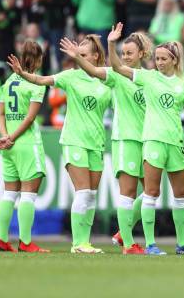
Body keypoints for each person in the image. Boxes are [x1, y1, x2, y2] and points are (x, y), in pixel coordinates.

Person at [7, 35, 111, 254]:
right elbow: (42, 80)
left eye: (83, 54)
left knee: (92, 195)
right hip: (74, 140)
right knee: (82, 192)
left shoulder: (106, 79)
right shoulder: (70, 77)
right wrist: (22, 73)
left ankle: (86, 241)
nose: (78, 57)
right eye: (77, 54)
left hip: (97, 142)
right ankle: (77, 244)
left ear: (95, 55)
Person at [58, 28, 153, 255]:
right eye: (124, 52)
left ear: (141, 53)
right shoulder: (113, 76)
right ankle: (82, 243)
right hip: (118, 139)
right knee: (88, 193)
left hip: (138, 139)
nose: (126, 56)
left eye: (130, 53)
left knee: (150, 191)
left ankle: (120, 232)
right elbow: (46, 80)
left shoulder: (148, 78)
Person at [108, 23, 184, 255]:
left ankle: (182, 243)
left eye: (163, 58)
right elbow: (116, 66)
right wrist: (111, 43)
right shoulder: (147, 77)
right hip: (154, 140)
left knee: (181, 195)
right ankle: (150, 244)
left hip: (176, 141)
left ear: (174, 60)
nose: (159, 62)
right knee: (151, 192)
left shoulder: (182, 82)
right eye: (157, 58)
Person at [0, 40, 49, 253]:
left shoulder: (9, 81)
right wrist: (13, 137)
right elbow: (29, 119)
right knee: (28, 194)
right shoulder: (37, 83)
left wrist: (5, 136)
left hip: (8, 147)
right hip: (25, 143)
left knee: (9, 194)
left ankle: (1, 240)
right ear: (38, 59)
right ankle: (26, 242)